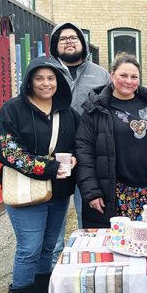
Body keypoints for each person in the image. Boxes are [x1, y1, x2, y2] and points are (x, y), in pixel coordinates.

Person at [0, 56, 79, 293]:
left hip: (58, 192)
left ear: (59, 82)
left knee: (49, 247)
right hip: (25, 192)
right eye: (40, 78)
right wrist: (48, 167)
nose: (46, 83)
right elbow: (6, 150)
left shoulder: (67, 113)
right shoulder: (12, 110)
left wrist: (74, 161)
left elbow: (78, 145)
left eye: (51, 78)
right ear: (29, 80)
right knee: (29, 249)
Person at [74, 54, 147, 228]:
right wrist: (92, 192)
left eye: (134, 77)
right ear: (112, 75)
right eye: (123, 75)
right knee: (119, 244)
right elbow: (84, 151)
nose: (129, 81)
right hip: (114, 192)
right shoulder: (96, 109)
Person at [49, 22, 109, 264]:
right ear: (55, 45)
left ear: (82, 43)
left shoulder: (100, 73)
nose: (69, 42)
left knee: (89, 209)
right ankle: (53, 268)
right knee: (55, 216)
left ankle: (89, 260)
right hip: (56, 153)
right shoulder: (47, 71)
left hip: (89, 154)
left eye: (73, 37)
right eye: (63, 39)